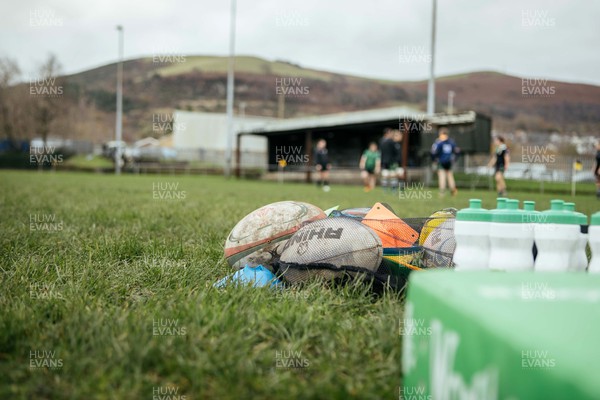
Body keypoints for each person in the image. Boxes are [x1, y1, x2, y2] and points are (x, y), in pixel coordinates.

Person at [430, 127, 459, 196]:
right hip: (449, 161)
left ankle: (442, 192)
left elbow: (433, 152)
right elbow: (457, 151)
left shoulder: (439, 142)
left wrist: (434, 160)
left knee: (442, 176)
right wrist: (454, 159)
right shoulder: (451, 142)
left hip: (441, 161)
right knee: (450, 176)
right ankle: (453, 191)